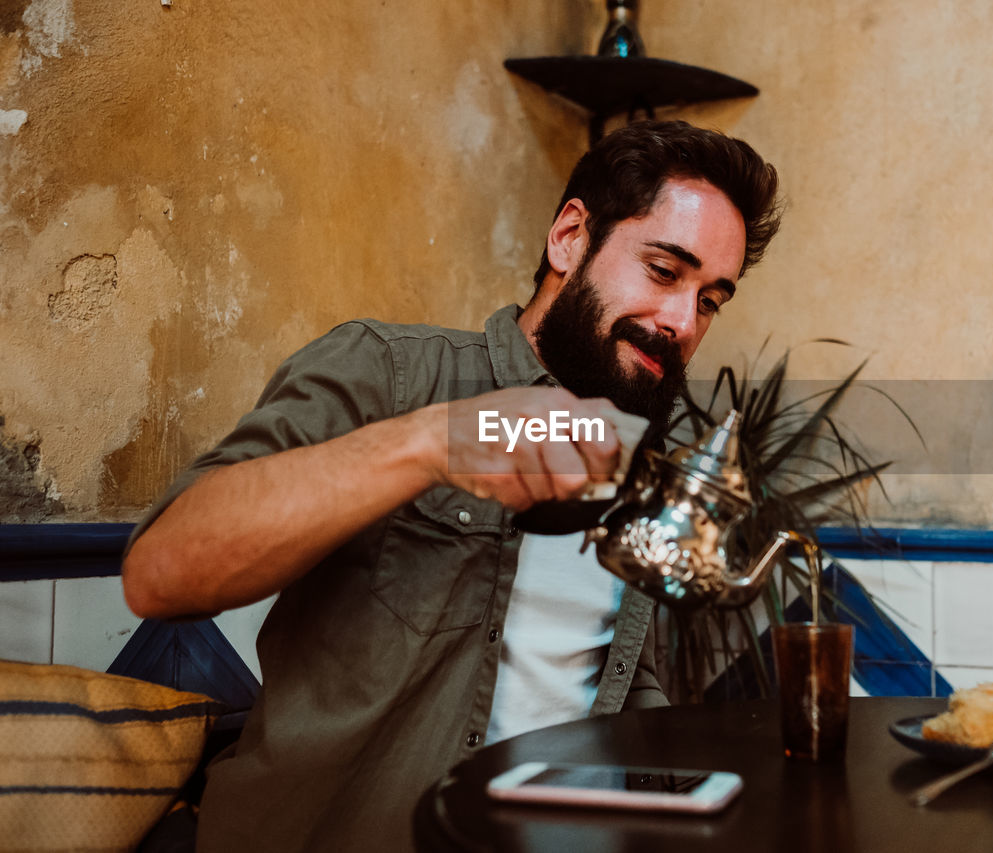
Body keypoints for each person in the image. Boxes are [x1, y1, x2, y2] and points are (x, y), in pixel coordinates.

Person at [122, 120, 782, 851]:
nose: (683, 322)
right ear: (569, 238)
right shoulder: (390, 373)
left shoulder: (636, 452)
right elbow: (161, 572)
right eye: (664, 271)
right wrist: (433, 440)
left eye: (711, 299)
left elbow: (611, 675)